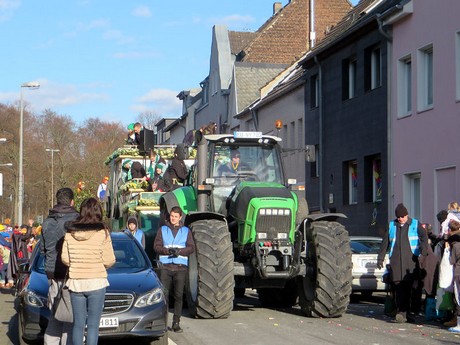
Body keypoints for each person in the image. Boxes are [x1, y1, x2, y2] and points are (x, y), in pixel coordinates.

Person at [61, 197, 116, 345]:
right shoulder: (102, 233)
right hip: (97, 282)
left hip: (76, 283)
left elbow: (65, 259)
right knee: (92, 326)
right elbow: (109, 260)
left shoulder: (69, 234)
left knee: (78, 325)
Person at [377, 203, 429, 323]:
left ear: (407, 215)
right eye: (398, 217)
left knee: (409, 287)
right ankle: (401, 312)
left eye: (402, 217)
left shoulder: (415, 224)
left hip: (410, 261)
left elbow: (424, 237)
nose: (400, 219)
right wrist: (380, 258)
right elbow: (385, 243)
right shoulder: (391, 225)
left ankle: (405, 313)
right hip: (395, 261)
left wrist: (424, 250)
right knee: (398, 287)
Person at [40, 187, 79, 344]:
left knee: (55, 317)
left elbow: (43, 249)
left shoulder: (47, 222)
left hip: (52, 274)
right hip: (71, 274)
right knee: (70, 319)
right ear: (71, 202)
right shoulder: (76, 220)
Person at [154, 206, 195, 333]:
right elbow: (156, 246)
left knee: (178, 296)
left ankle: (176, 323)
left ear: (180, 218)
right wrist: (167, 251)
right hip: (165, 268)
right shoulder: (163, 230)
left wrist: (180, 251)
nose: (173, 218)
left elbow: (191, 248)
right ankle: (163, 323)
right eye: (172, 216)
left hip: (180, 268)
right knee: (164, 296)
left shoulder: (186, 231)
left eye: (175, 217)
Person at [446, 220, 460, 332]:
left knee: (458, 298)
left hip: (458, 273)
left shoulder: (455, 245)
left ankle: (458, 324)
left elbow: (451, 261)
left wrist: (447, 250)